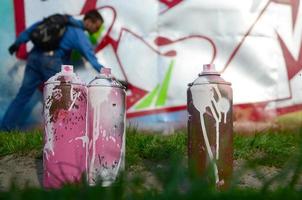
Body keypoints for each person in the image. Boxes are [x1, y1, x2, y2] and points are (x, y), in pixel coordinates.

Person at [1, 9, 104, 131]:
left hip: (34, 57)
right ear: (89, 22)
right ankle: (61, 133)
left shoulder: (60, 20)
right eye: (97, 27)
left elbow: (33, 29)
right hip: (50, 62)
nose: (96, 30)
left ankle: (4, 128)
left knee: (22, 96)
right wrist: (107, 75)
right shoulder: (78, 34)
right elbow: (91, 58)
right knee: (63, 98)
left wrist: (17, 43)